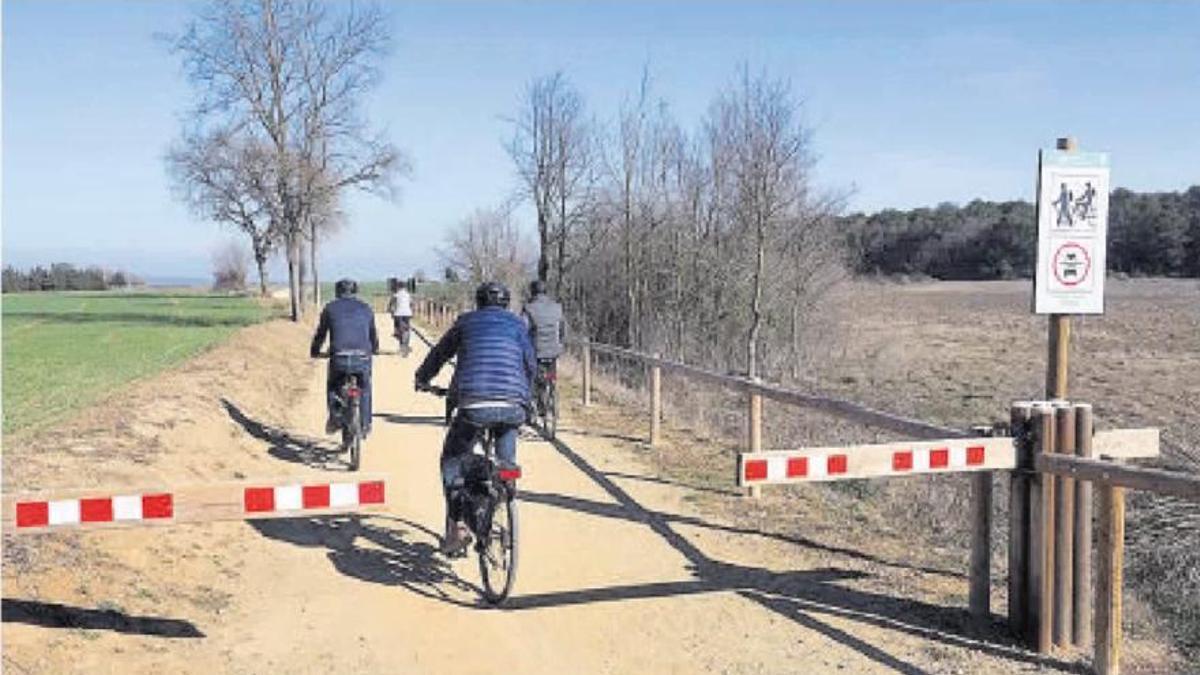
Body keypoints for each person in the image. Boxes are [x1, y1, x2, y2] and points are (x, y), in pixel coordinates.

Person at [415, 281, 535, 555]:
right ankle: (504, 494)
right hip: (513, 404)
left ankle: (457, 525)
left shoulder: (466, 322)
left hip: (474, 404)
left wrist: (422, 378)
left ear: (478, 302)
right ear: (506, 304)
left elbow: (439, 354)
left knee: (452, 462)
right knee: (506, 464)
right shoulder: (518, 326)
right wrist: (525, 397)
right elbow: (530, 364)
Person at [311, 278, 379, 437]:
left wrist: (315, 351)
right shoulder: (366, 308)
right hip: (362, 358)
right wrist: (375, 349)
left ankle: (335, 418)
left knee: (333, 385)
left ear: (337, 292)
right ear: (355, 291)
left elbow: (321, 334)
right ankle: (366, 424)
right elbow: (373, 335)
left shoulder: (329, 308)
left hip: (339, 357)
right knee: (365, 387)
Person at [521, 279, 565, 412]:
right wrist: (560, 343)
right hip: (554, 350)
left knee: (533, 375)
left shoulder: (528, 308)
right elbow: (562, 329)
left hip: (536, 350)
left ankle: (535, 403)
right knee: (550, 373)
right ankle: (551, 387)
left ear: (532, 292)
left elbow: (523, 329)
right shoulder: (557, 307)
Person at [386, 277, 413, 354]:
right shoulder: (408, 295)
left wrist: (389, 309)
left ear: (398, 287)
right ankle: (406, 345)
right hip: (407, 314)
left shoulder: (396, 295)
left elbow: (391, 303)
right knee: (407, 329)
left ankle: (401, 344)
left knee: (398, 330)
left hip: (398, 314)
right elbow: (411, 304)